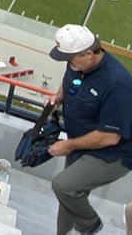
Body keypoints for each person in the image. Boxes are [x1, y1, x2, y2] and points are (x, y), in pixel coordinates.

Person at [47, 24, 132, 235]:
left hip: (112, 153)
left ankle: (90, 225)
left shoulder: (117, 83)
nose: (69, 63)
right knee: (69, 195)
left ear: (88, 53)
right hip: (81, 141)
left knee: (64, 186)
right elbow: (70, 81)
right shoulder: (77, 63)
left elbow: (110, 136)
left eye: (71, 58)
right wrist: (59, 97)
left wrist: (69, 145)